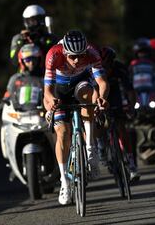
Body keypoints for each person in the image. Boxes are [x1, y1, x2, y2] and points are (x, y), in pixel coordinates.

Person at [43, 30, 109, 205]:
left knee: (90, 96)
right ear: (65, 52)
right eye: (73, 57)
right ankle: (64, 182)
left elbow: (102, 82)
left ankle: (90, 148)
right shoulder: (53, 55)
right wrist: (51, 102)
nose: (78, 60)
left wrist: (102, 98)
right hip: (60, 90)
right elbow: (47, 91)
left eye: (81, 56)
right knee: (63, 133)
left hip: (81, 84)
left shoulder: (92, 52)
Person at [96, 46, 140, 181]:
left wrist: (131, 108)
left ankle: (132, 165)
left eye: (108, 65)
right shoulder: (93, 70)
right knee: (99, 123)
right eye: (102, 66)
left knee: (122, 128)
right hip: (98, 94)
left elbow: (130, 91)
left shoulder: (120, 68)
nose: (105, 68)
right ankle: (101, 146)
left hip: (115, 95)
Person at [3, 43, 43, 109]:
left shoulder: (44, 78)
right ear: (21, 61)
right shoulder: (15, 79)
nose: (31, 63)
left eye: (34, 59)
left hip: (40, 115)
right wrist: (3, 103)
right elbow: (8, 94)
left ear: (39, 59)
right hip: (18, 116)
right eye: (28, 59)